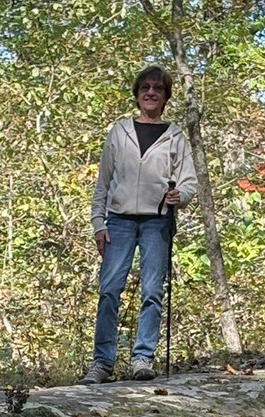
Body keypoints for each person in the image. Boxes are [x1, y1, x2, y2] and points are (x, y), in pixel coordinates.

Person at [81, 65, 197, 384]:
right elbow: (103, 184)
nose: (150, 93)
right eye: (144, 87)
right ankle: (102, 363)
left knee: (152, 291)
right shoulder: (120, 132)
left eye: (157, 89)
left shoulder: (175, 137)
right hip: (118, 221)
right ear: (136, 94)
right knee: (109, 289)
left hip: (157, 221)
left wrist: (180, 196)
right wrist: (97, 224)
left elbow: (188, 181)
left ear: (165, 97)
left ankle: (142, 358)